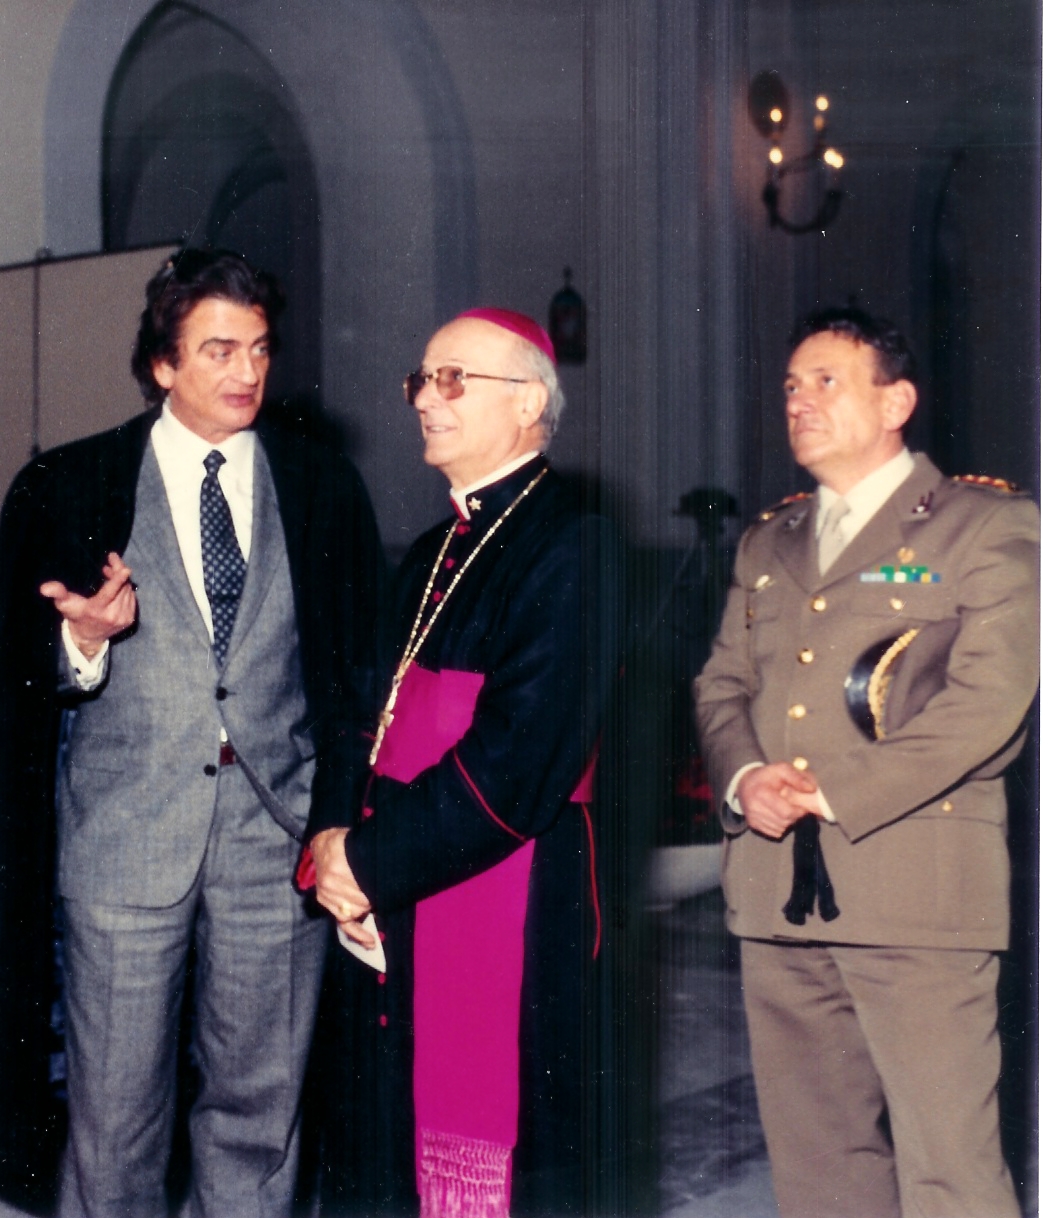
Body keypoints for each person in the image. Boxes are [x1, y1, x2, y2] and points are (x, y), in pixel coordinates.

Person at [0, 249, 384, 1217]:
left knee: (260, 1111)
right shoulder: (71, 484)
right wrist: (82, 642)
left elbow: (356, 675)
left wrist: (337, 819)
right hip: (123, 841)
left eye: (259, 349)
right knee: (114, 1117)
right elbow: (15, 681)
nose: (247, 371)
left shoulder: (321, 486)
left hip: (276, 842)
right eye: (219, 350)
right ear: (161, 364)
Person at [693, 307, 1038, 1218]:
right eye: (791, 385)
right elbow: (722, 685)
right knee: (819, 1169)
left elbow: (988, 706)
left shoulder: (986, 526)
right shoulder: (769, 541)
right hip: (777, 891)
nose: (798, 401)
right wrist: (745, 779)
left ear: (897, 403)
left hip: (918, 895)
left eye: (826, 381)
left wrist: (831, 791)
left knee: (950, 1171)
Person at [305, 309, 619, 1216]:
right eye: (421, 379)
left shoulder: (575, 543)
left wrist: (367, 861)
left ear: (528, 403)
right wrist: (329, 839)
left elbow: (518, 760)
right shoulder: (430, 550)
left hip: (503, 885)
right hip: (393, 883)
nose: (424, 399)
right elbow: (360, 713)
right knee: (380, 1136)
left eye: (453, 379)